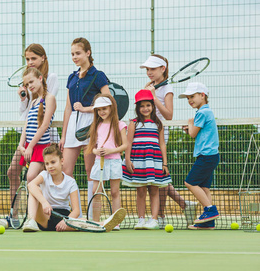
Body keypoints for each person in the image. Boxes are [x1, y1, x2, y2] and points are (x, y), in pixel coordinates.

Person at [141, 55, 197, 227]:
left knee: (158, 177)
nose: (149, 72)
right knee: (156, 177)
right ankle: (184, 205)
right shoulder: (151, 86)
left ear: (162, 69)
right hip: (146, 133)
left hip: (158, 134)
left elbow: (169, 115)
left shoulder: (168, 89)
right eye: (147, 69)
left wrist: (153, 97)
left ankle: (161, 216)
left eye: (152, 69)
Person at [59, 37, 112, 215]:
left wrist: (87, 109)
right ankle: (75, 213)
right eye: (72, 54)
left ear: (88, 53)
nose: (74, 57)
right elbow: (67, 108)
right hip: (74, 124)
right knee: (66, 170)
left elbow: (108, 102)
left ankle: (92, 215)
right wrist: (64, 135)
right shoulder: (71, 77)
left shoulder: (98, 75)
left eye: (78, 53)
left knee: (91, 170)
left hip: (91, 124)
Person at [22, 144, 126, 232]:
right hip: (45, 216)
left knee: (82, 221)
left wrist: (65, 221)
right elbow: (31, 185)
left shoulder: (71, 182)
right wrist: (44, 203)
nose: (50, 166)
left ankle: (103, 224)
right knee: (34, 189)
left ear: (62, 161)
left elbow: (76, 210)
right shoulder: (44, 174)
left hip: (64, 218)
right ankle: (31, 221)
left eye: (53, 162)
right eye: (47, 163)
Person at [122, 89, 171, 230]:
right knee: (141, 191)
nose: (145, 108)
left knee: (154, 191)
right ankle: (141, 219)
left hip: (154, 161)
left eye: (148, 105)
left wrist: (164, 163)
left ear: (153, 106)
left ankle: (154, 220)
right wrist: (127, 159)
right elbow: (128, 143)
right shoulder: (133, 123)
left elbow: (162, 144)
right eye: (142, 106)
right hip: (138, 161)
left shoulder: (158, 124)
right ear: (138, 108)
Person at [179, 83, 220, 230]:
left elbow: (193, 134)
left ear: (202, 95)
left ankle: (210, 210)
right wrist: (190, 127)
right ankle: (208, 222)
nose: (190, 100)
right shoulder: (206, 112)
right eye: (188, 97)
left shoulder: (202, 112)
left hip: (206, 156)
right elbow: (198, 132)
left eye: (192, 96)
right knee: (204, 187)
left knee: (190, 183)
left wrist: (190, 124)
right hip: (211, 156)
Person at [85, 94, 128, 230]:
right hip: (99, 162)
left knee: (115, 192)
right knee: (95, 192)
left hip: (114, 162)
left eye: (104, 108)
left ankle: (115, 222)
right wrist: (96, 151)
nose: (102, 112)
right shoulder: (96, 125)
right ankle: (96, 223)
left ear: (111, 108)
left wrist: (110, 150)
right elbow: (91, 147)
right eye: (99, 109)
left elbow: (125, 145)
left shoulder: (120, 125)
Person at [16, 67, 56, 184]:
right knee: (34, 181)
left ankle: (41, 202)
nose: (30, 86)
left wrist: (30, 147)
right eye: (27, 84)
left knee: (31, 177)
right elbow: (26, 126)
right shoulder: (33, 102)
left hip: (40, 147)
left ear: (40, 78)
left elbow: (44, 126)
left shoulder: (50, 98)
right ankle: (34, 202)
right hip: (29, 146)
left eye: (31, 82)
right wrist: (21, 145)